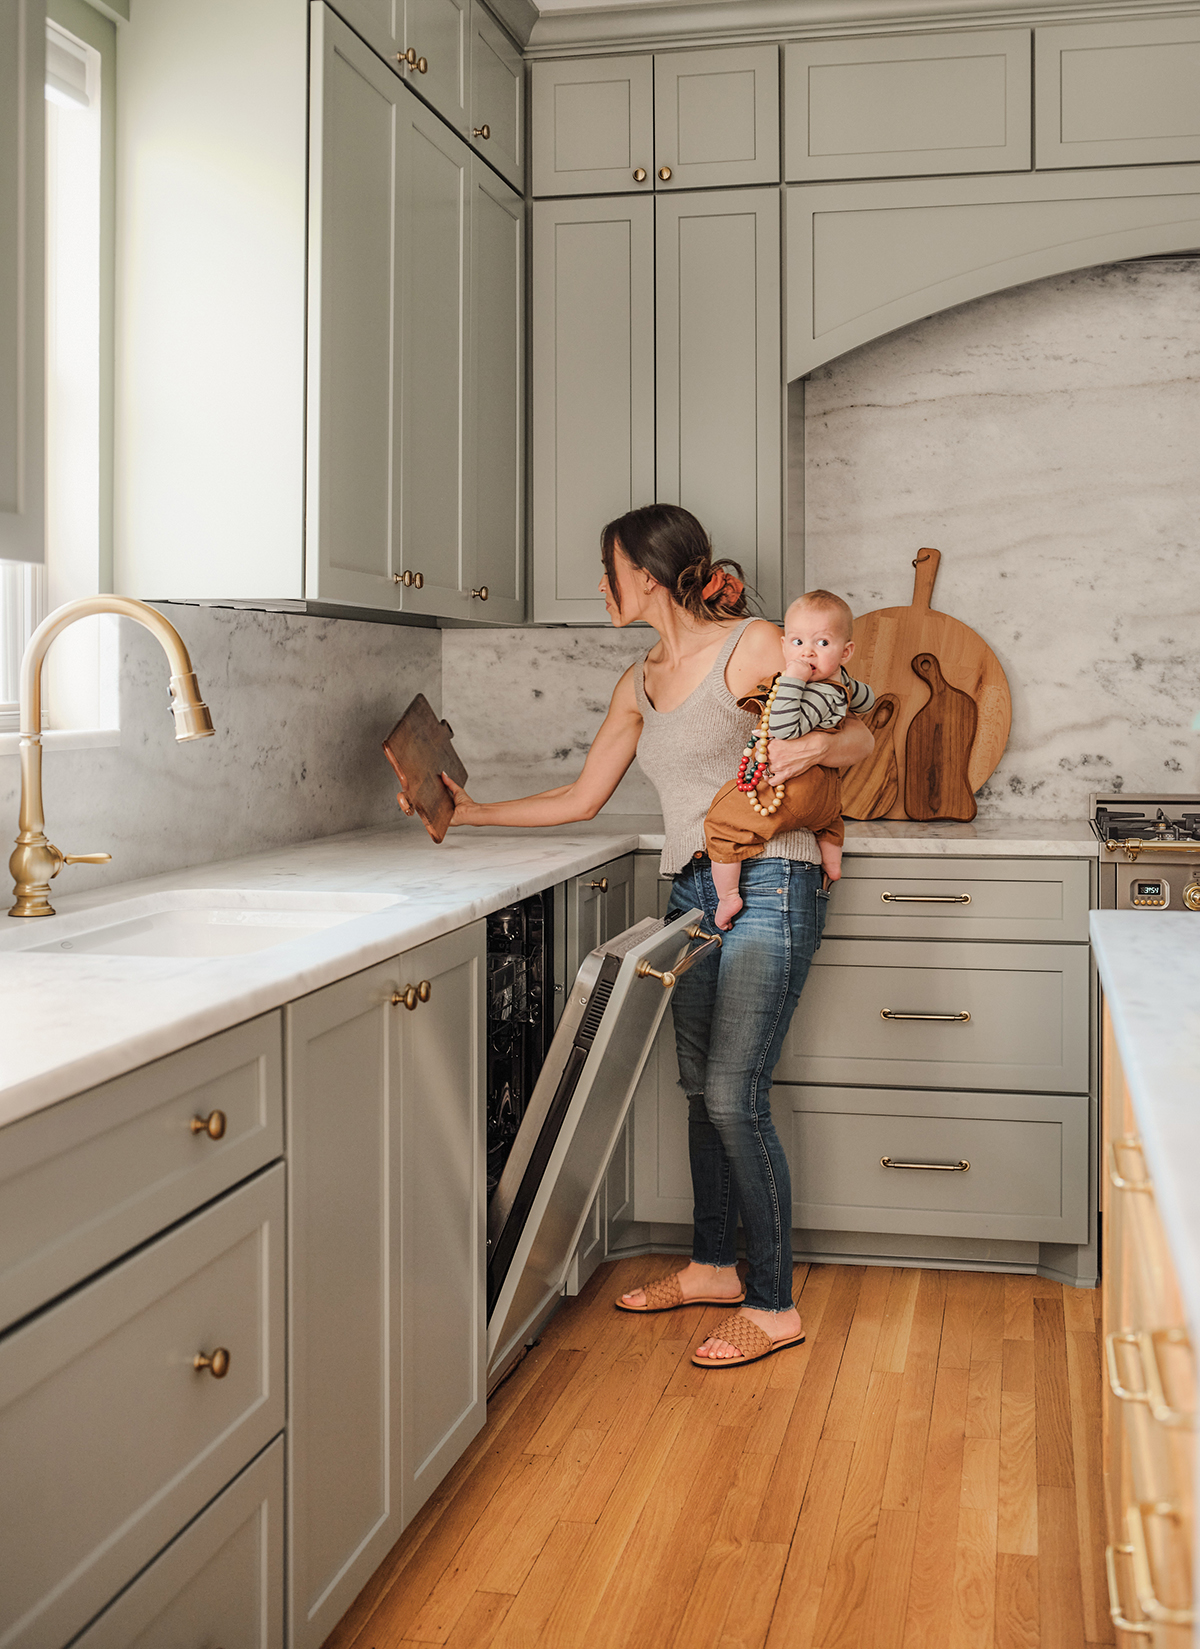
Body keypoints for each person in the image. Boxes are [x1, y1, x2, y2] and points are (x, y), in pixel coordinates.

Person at [416, 504, 872, 1368]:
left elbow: (859, 730)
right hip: (692, 885)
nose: (600, 585)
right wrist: (466, 811)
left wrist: (810, 755)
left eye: (608, 569)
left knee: (736, 1091)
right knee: (700, 1087)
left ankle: (774, 1303)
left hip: (774, 875)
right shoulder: (640, 680)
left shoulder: (755, 644)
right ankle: (711, 1266)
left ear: (650, 576)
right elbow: (579, 797)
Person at [703, 590, 874, 931]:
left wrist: (793, 678)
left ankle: (728, 896)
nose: (807, 652)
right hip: (825, 796)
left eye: (822, 643)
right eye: (797, 642)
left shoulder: (811, 691)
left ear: (846, 651)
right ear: (784, 645)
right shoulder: (841, 684)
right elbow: (867, 701)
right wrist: (847, 681)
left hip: (796, 789)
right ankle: (833, 866)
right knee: (828, 822)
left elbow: (785, 727)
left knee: (722, 825)